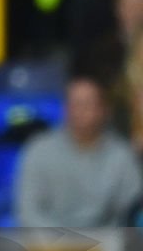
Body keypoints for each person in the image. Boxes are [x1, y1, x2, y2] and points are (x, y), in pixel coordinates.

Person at [17, 75, 143, 227]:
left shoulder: (121, 155)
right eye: (75, 103)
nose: (80, 111)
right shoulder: (38, 149)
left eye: (88, 104)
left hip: (107, 243)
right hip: (50, 244)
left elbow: (134, 209)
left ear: (104, 110)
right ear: (65, 108)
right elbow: (28, 211)